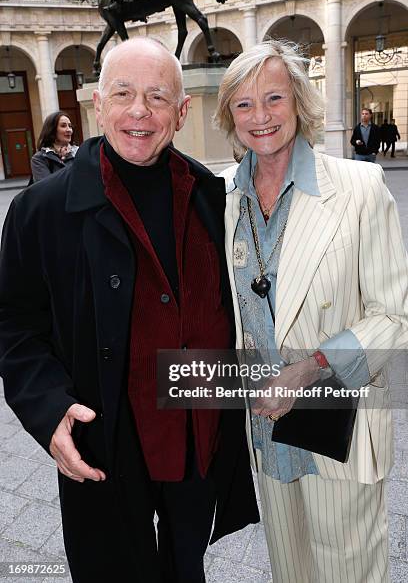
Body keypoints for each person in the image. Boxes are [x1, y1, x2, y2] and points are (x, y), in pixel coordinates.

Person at [0, 38, 259, 583]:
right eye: (123, 93)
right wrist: (48, 411)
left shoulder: (212, 196)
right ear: (98, 104)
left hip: (195, 434)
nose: (139, 111)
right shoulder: (38, 212)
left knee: (187, 568)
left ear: (181, 112)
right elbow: (15, 327)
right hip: (106, 445)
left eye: (158, 97)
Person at [214, 39, 408, 582]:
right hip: (266, 430)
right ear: (230, 114)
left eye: (273, 98)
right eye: (244, 103)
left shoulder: (359, 187)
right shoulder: (224, 198)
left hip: (335, 425)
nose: (261, 116)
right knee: (291, 572)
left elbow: (395, 316)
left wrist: (308, 369)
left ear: (299, 101)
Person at [30, 111, 78, 183]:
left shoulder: (80, 152)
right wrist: (63, 160)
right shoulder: (39, 158)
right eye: (63, 126)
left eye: (70, 126)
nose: (69, 130)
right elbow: (47, 187)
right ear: (52, 130)